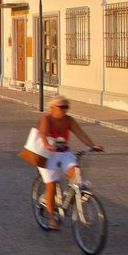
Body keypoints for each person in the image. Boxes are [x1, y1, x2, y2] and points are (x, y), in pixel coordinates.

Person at [37, 95, 104, 230]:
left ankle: (71, 198)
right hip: (48, 154)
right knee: (51, 186)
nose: (64, 110)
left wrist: (93, 145)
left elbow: (80, 134)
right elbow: (43, 134)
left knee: (76, 175)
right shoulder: (47, 118)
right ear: (53, 108)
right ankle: (52, 219)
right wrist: (47, 145)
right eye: (61, 107)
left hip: (64, 152)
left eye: (66, 107)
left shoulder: (69, 120)